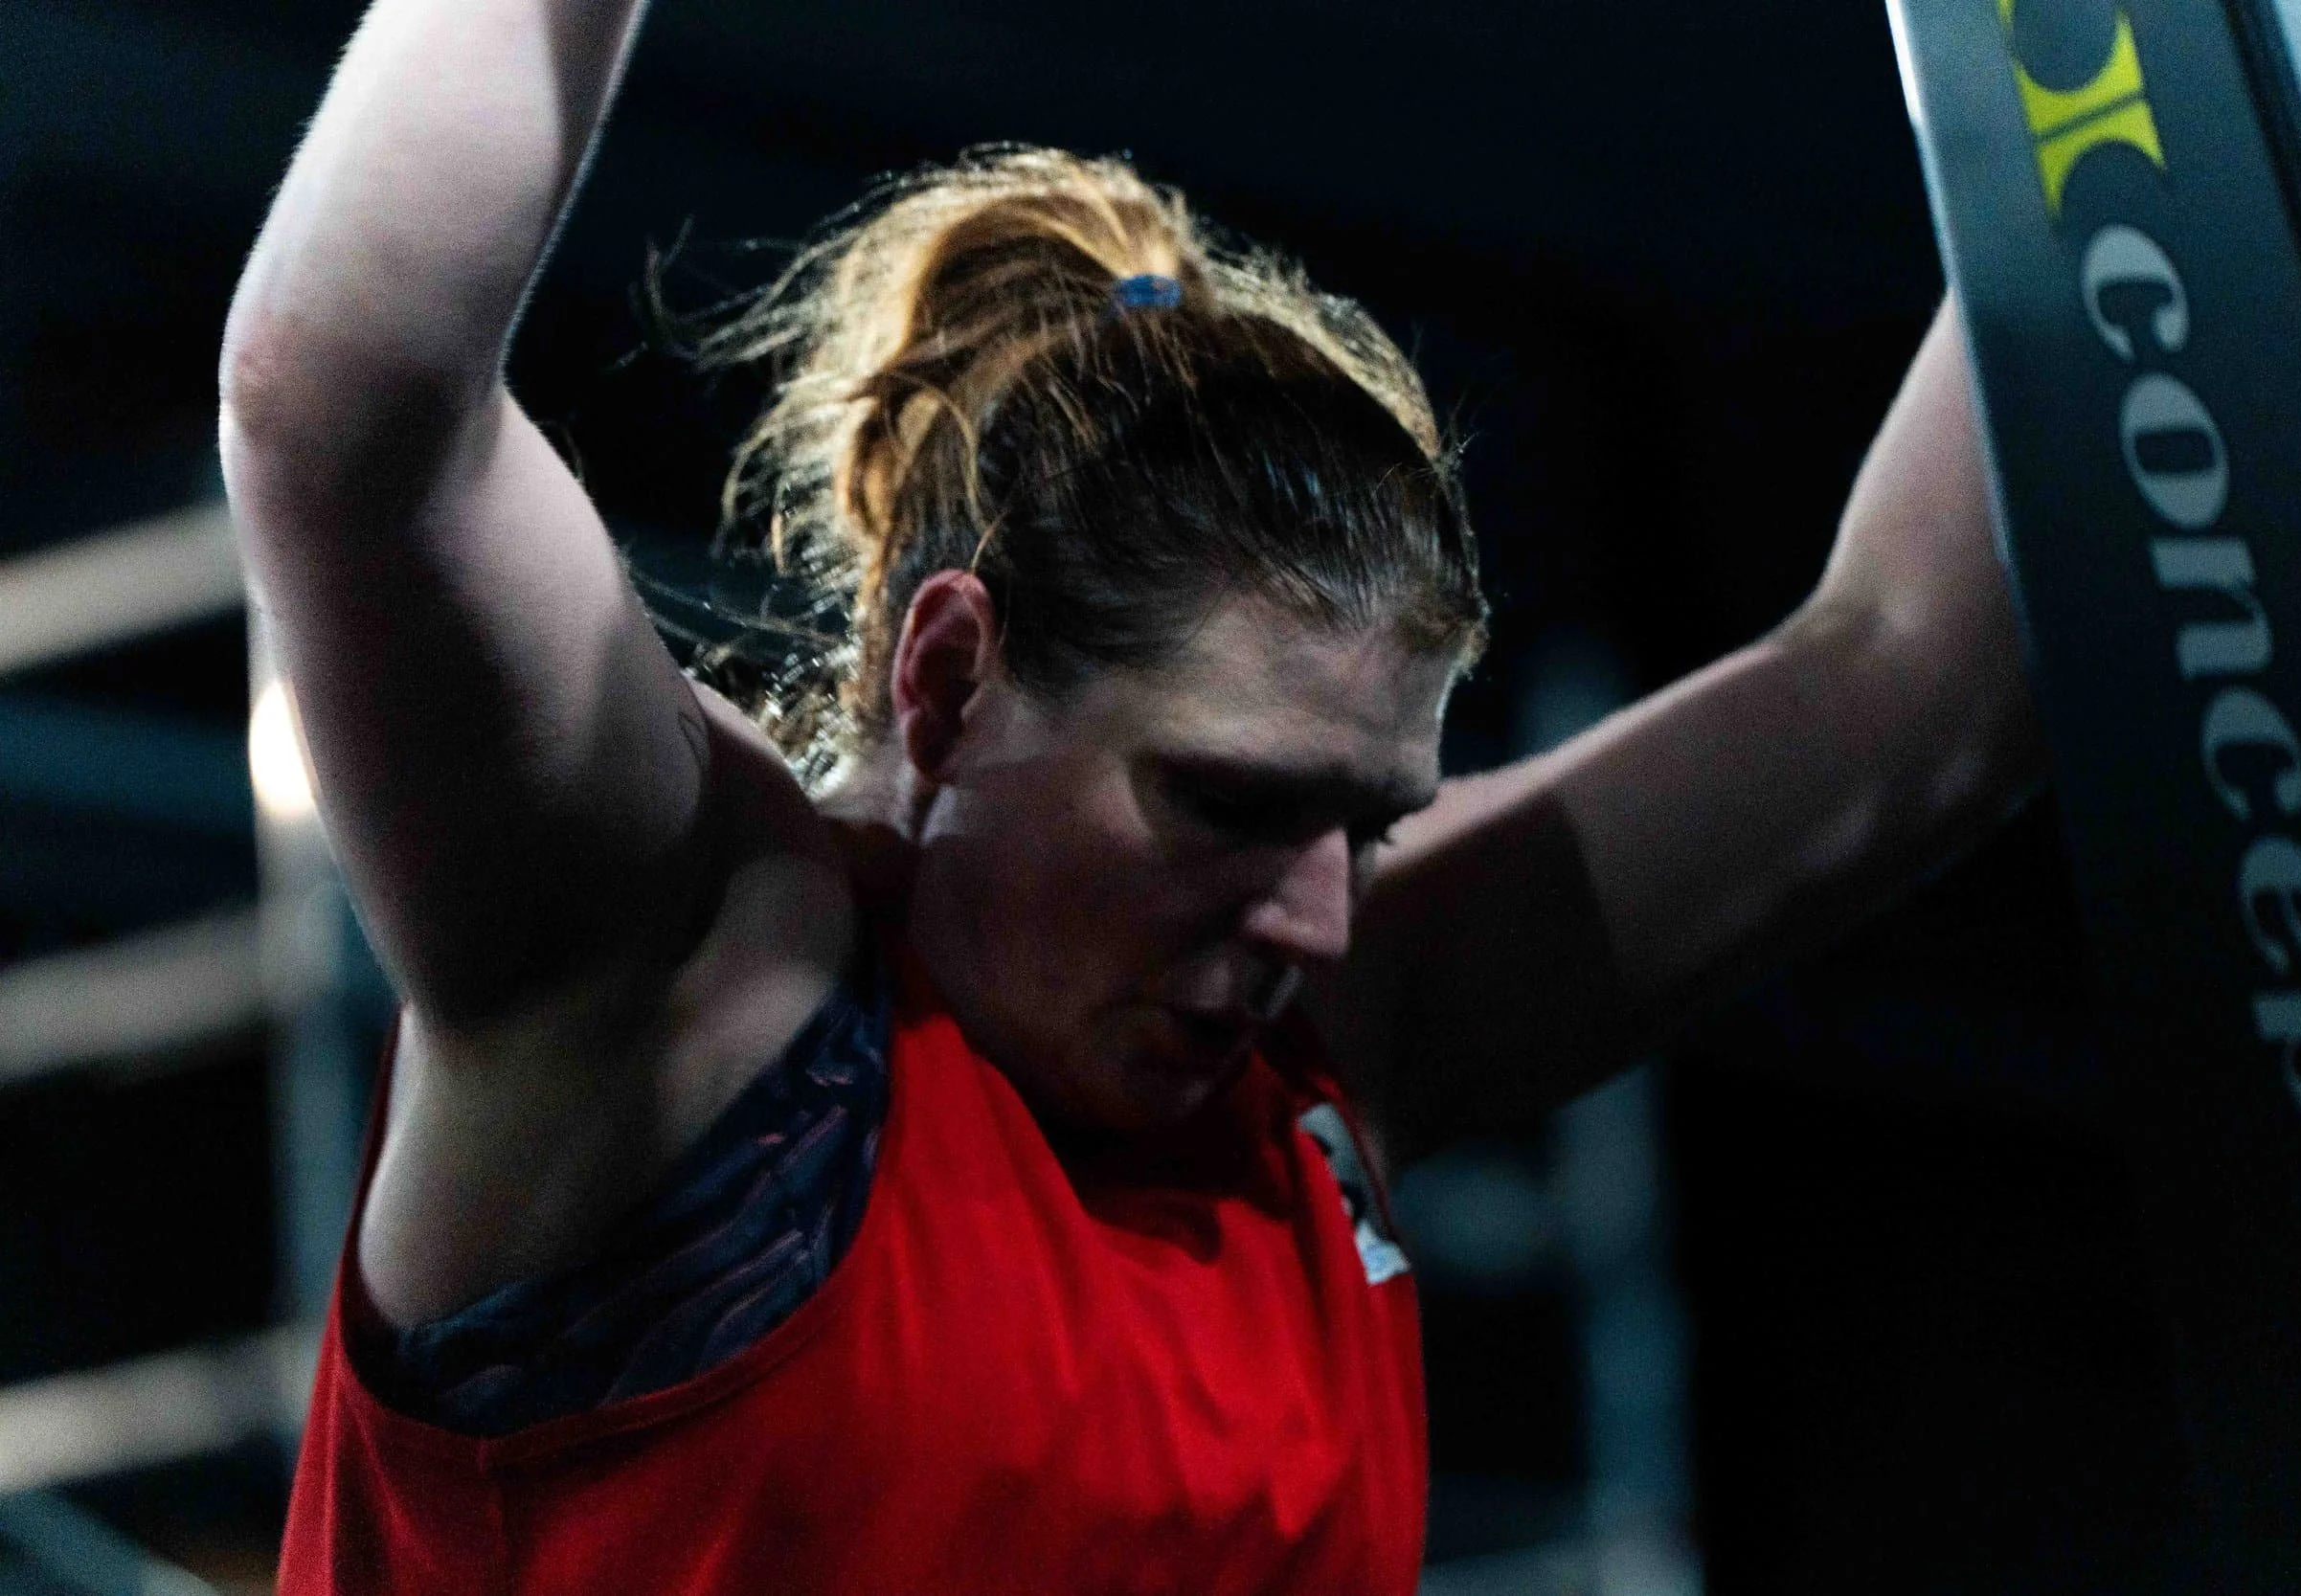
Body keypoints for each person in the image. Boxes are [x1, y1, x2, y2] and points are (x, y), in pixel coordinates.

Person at [218, 0, 2041, 1589]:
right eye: (1229, 801)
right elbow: (339, 401)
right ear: (948, 680)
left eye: (1368, 821)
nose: (1318, 912)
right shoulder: (684, 990)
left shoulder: (1323, 1046)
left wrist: (2132, 77)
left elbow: (1920, 684)